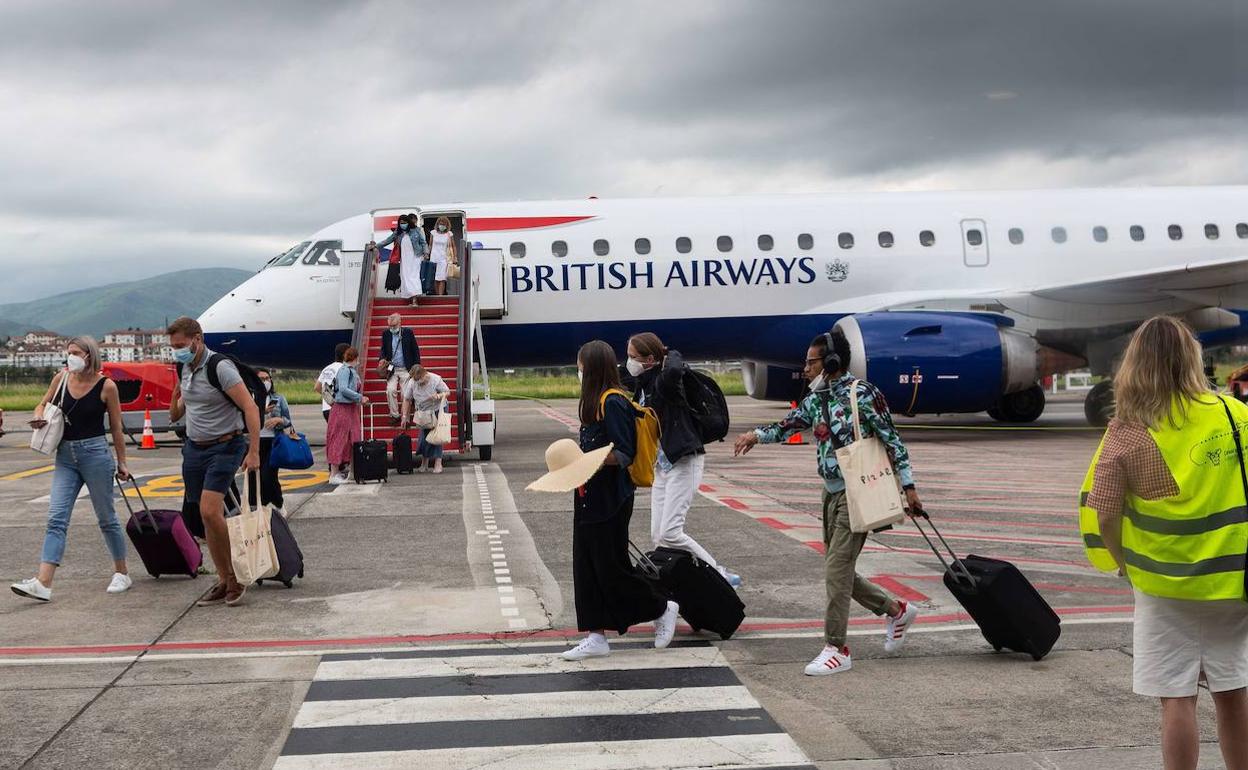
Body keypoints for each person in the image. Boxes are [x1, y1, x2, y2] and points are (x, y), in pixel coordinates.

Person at [1080, 316, 1248, 770]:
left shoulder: (1129, 429)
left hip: (1162, 582)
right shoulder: (1236, 415)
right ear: (1193, 359)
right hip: (1232, 579)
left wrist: (1122, 561)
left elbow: (1106, 511)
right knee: (1233, 691)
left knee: (1177, 698)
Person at [734, 330, 922, 676]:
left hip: (858, 492)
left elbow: (893, 441)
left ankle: (837, 647)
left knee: (836, 570)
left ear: (832, 362)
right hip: (831, 492)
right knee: (839, 571)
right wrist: (754, 435)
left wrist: (908, 488)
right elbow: (787, 425)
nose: (805, 369)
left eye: (811, 362)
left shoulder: (863, 395)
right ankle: (896, 610)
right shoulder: (816, 398)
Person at [555, 340, 679, 661]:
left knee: (612, 568)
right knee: (586, 567)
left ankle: (662, 608)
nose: (578, 372)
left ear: (593, 368)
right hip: (587, 494)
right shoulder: (593, 402)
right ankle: (595, 635)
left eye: (581, 367)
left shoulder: (613, 402)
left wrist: (585, 459)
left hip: (610, 498)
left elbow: (625, 453)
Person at [11, 337, 133, 602]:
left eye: (76, 353)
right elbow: (42, 403)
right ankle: (43, 582)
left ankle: (121, 571)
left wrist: (122, 462)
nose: (71, 357)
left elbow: (116, 428)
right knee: (56, 517)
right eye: (68, 353)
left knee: (106, 517)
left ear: (90, 355)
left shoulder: (106, 386)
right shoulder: (61, 379)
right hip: (65, 455)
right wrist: (39, 414)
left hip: (96, 455)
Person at [626, 332, 740, 586]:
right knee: (658, 535)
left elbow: (675, 368)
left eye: (633, 357)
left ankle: (718, 574)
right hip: (662, 466)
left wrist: (668, 355)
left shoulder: (666, 381)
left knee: (671, 532)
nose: (629, 362)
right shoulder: (642, 384)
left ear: (650, 359)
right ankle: (683, 584)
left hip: (684, 461)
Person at [167, 316, 261, 608]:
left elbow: (249, 406)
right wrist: (176, 398)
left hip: (226, 445)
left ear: (197, 339)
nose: (177, 351)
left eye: (181, 345)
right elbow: (177, 414)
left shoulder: (220, 367)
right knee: (206, 516)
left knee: (210, 510)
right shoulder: (184, 367)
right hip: (194, 449)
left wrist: (254, 450)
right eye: (173, 347)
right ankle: (223, 578)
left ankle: (236, 577)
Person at [251, 368, 292, 517]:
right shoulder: (249, 398)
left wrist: (279, 420)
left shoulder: (278, 398)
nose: (265, 382)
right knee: (253, 477)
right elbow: (241, 418)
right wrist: (261, 412)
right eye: (261, 379)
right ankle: (258, 506)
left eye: (267, 378)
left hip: (273, 442)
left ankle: (278, 503)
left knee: (268, 475)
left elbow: (288, 421)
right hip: (253, 442)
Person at [326, 346, 367, 484]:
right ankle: (334, 473)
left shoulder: (349, 371)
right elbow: (343, 389)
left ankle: (351, 472)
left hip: (350, 408)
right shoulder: (345, 371)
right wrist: (360, 397)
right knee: (339, 438)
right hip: (343, 408)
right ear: (355, 358)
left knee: (352, 439)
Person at [400, 365, 449, 473]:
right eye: (417, 380)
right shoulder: (413, 382)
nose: (419, 383)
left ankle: (438, 463)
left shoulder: (435, 379)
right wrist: (404, 416)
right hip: (423, 411)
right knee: (424, 435)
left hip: (438, 408)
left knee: (437, 435)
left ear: (424, 374)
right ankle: (424, 462)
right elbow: (407, 399)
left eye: (420, 380)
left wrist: (438, 396)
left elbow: (447, 392)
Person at [373, 212, 427, 305]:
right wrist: (376, 246)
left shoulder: (416, 230)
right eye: (401, 223)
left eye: (404, 222)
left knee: (413, 276)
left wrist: (426, 252)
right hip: (405, 258)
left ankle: (415, 299)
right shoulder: (398, 233)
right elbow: (388, 240)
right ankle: (412, 297)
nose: (403, 225)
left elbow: (423, 242)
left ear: (408, 222)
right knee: (405, 276)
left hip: (416, 256)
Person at [380, 313, 421, 426]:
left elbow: (415, 350)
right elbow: (383, 349)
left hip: (405, 368)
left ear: (400, 323)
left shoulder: (408, 333)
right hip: (392, 368)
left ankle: (406, 418)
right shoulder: (386, 334)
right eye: (390, 326)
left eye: (394, 326)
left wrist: (416, 367)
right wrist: (382, 358)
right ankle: (394, 415)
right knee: (390, 390)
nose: (392, 328)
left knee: (405, 393)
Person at [315, 342, 350, 425]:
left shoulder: (326, 368)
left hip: (326, 409)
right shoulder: (344, 369)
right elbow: (344, 389)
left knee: (333, 434)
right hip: (339, 409)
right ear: (345, 355)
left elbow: (317, 387)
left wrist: (329, 398)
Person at [426, 216, 456, 296]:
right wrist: (427, 254)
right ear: (437, 224)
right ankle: (437, 295)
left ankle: (440, 296)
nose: (441, 225)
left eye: (443, 224)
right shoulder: (433, 233)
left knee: (442, 278)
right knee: (435, 278)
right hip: (434, 258)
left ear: (447, 225)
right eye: (440, 224)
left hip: (444, 258)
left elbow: (453, 246)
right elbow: (430, 245)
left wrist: (455, 257)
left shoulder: (449, 234)